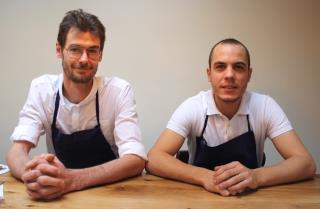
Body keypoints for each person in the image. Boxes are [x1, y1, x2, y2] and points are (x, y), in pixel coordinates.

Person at [146, 38, 316, 196]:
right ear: (209, 74)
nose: (229, 75)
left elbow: (305, 163)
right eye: (220, 66)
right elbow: (154, 158)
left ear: (249, 75)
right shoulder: (194, 107)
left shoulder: (265, 106)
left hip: (251, 199)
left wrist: (256, 177)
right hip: (198, 198)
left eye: (238, 67)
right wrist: (205, 177)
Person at [6, 9, 146, 200]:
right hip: (60, 198)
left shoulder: (118, 91)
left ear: (101, 54)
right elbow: (17, 151)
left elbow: (135, 160)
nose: (84, 59)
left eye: (92, 51)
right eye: (75, 49)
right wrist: (32, 176)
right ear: (58, 50)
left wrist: (72, 180)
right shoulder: (42, 89)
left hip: (112, 194)